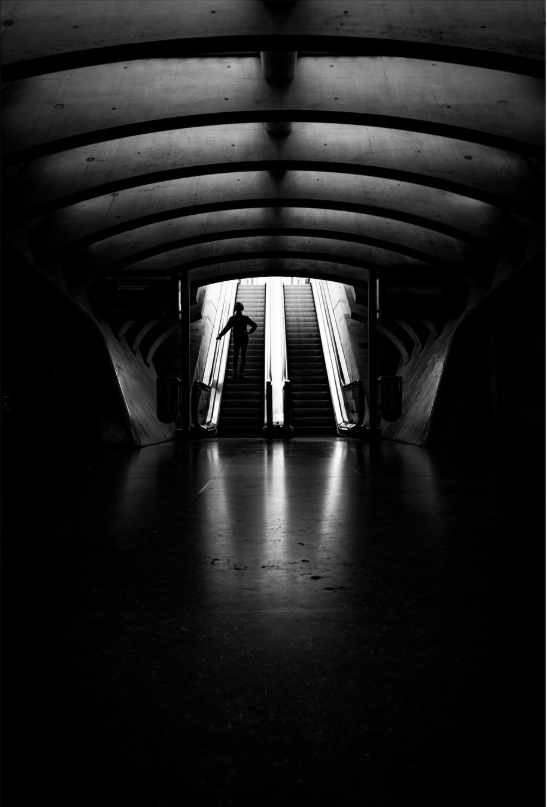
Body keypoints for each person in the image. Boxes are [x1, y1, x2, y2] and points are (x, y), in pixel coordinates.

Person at [216, 301, 257, 380]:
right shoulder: (245, 318)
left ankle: (235, 372)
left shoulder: (233, 319)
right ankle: (240, 372)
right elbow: (255, 325)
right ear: (242, 308)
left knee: (236, 356)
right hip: (244, 338)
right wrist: (249, 332)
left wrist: (220, 335)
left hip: (237, 339)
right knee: (243, 356)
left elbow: (227, 328)